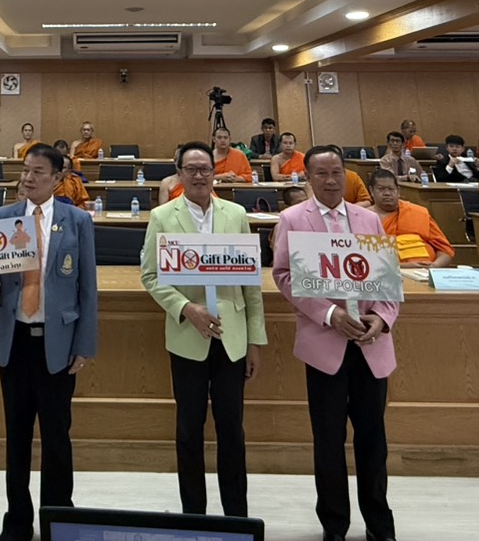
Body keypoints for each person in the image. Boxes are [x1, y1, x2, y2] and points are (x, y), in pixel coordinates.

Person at [273, 146, 399, 541]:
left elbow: (388, 279)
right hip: (325, 345)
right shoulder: (293, 219)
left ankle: (379, 524)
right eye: (322, 174)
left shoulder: (369, 219)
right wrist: (330, 314)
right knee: (328, 440)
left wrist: (382, 318)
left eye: (337, 172)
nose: (331, 181)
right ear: (308, 177)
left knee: (373, 439)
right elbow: (284, 276)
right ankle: (334, 524)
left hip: (370, 344)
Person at [0, 146, 97, 541]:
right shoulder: (3, 217)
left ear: (58, 178)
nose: (28, 178)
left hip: (58, 343)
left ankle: (58, 519)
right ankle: (17, 521)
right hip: (15, 340)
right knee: (17, 435)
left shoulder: (77, 221)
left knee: (57, 435)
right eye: (25, 170)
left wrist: (85, 344)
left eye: (38, 172)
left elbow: (87, 288)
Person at [139, 141, 265, 518]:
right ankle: (194, 516)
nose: (199, 175)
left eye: (205, 169)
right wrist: (185, 308)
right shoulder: (163, 216)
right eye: (191, 169)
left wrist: (255, 341)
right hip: (187, 337)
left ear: (215, 173)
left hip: (232, 338)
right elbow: (150, 275)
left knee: (232, 431)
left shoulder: (236, 214)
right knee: (189, 431)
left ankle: (236, 518)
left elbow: (251, 283)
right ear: (179, 173)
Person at [367, 169, 453, 267]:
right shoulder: (363, 218)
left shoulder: (418, 213)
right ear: (371, 191)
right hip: (387, 272)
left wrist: (434, 266)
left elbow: (445, 250)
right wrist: (406, 266)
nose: (387, 193)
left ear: (398, 191)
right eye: (381, 189)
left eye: (391, 189)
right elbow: (365, 258)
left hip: (427, 270)